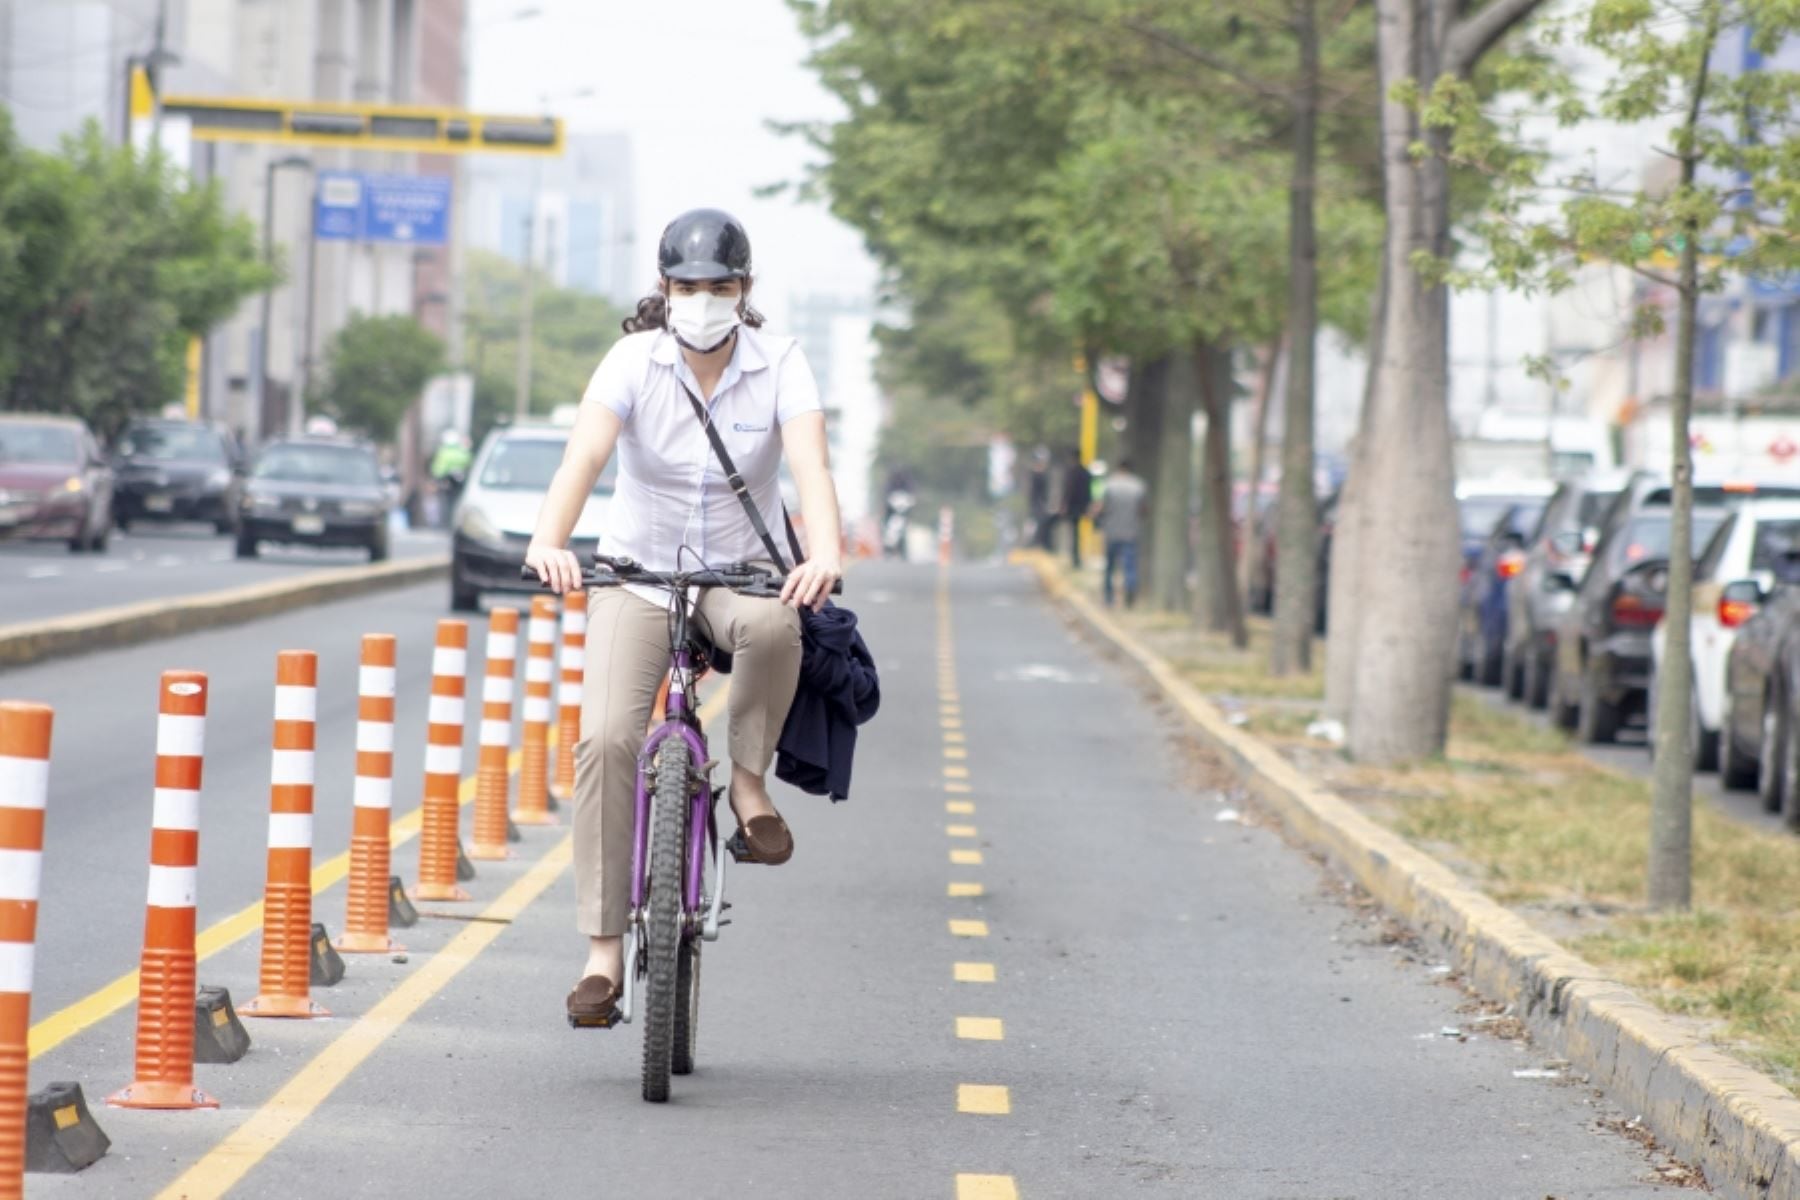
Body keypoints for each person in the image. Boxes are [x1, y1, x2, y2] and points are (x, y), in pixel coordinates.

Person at [524, 209, 844, 1026]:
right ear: (665, 291)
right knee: (604, 739)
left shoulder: (782, 364)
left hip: (739, 576)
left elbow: (810, 464)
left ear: (745, 291)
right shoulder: (633, 359)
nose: (704, 300)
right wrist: (549, 540)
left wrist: (826, 553)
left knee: (778, 626)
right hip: (637, 575)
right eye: (689, 287)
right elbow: (584, 456)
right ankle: (602, 957)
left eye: (720, 287)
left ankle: (746, 787)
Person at [1096, 458, 1147, 607]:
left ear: (1118, 468)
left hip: (1111, 530)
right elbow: (1143, 510)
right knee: (1130, 565)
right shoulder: (1139, 486)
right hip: (1131, 531)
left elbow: (1101, 507)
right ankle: (1130, 588)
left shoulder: (1109, 484)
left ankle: (1109, 597)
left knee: (1110, 566)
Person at [1059, 446, 1093, 568]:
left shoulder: (1071, 472)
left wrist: (1064, 505)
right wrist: (1088, 507)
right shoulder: (1086, 472)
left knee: (1074, 533)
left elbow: (1068, 491)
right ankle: (1077, 558)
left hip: (1073, 507)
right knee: (1077, 534)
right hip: (1082, 507)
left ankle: (1075, 558)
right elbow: (1089, 492)